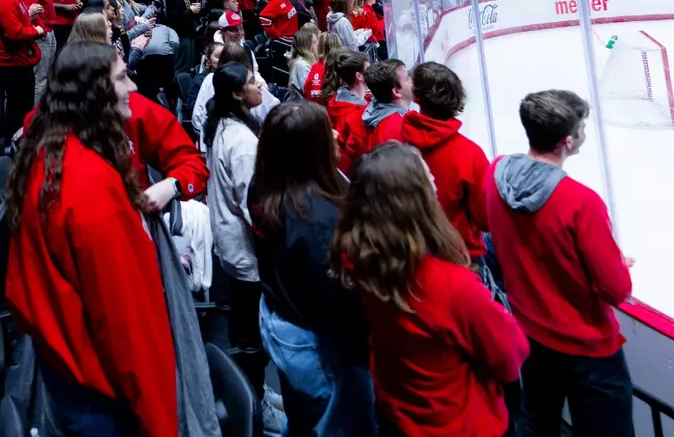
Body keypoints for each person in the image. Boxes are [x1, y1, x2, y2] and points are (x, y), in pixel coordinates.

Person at [3, 42, 177, 437]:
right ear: (95, 92)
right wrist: (161, 424)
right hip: (99, 393)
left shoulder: (50, 154)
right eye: (122, 78)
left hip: (68, 368)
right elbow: (127, 326)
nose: (132, 87)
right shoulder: (92, 191)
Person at [333, 143, 528, 437]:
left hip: (397, 408)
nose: (434, 180)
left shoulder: (357, 255)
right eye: (426, 177)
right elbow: (510, 352)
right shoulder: (452, 287)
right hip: (459, 424)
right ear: (410, 200)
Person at [487, 90, 635, 437]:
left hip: (531, 332)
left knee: (537, 423)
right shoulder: (581, 201)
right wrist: (613, 262)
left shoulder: (497, 172)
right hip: (587, 349)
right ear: (568, 141)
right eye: (582, 127)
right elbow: (616, 289)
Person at [248, 102, 375, 437]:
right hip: (313, 339)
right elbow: (337, 303)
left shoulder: (264, 184)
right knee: (332, 422)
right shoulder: (316, 218)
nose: (335, 133)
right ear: (309, 151)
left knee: (305, 412)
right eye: (325, 131)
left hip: (280, 314)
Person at [203, 57, 276, 426]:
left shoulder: (225, 125)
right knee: (251, 331)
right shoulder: (243, 143)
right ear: (236, 94)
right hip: (245, 251)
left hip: (231, 245)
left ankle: (258, 393)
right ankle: (257, 402)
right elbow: (254, 208)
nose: (259, 84)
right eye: (251, 81)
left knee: (246, 325)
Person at [400, 61, 491, 264]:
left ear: (416, 96)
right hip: (461, 256)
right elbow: (485, 219)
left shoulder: (397, 137)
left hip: (415, 252)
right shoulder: (471, 154)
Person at [0, 0, 48, 136]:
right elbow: (14, 33)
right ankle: (15, 146)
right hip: (14, 64)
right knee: (18, 112)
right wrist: (36, 31)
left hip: (19, 61)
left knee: (20, 109)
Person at [359, 59, 410, 151]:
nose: (412, 80)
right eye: (407, 78)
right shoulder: (398, 127)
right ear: (396, 91)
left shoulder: (374, 112)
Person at [286, 23, 323, 102]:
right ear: (307, 46)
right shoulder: (301, 65)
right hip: (304, 105)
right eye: (314, 42)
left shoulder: (308, 60)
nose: (317, 45)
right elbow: (309, 92)